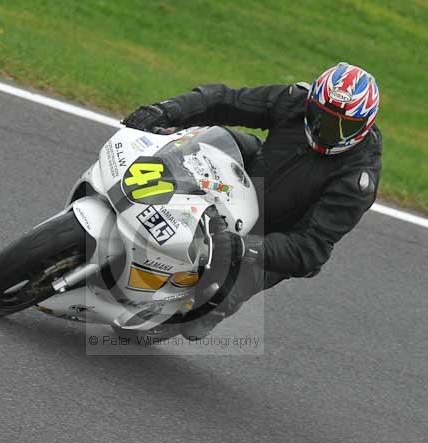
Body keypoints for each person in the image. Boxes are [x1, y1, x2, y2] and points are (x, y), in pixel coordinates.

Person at [121, 62, 382, 340]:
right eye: (321, 116)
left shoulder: (358, 178)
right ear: (311, 103)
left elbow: (311, 248)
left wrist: (241, 246)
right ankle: (134, 192)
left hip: (275, 238)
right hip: (255, 173)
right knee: (203, 140)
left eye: (344, 126)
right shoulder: (294, 100)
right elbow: (226, 100)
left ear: (364, 126)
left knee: (202, 310)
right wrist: (168, 109)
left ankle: (210, 306)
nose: (327, 130)